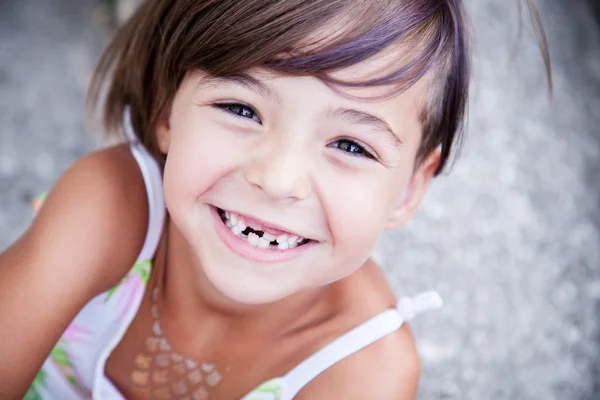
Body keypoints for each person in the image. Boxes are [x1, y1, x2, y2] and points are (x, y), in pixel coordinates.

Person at [0, 0, 549, 399]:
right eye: (242, 109)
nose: (279, 179)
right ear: (168, 112)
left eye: (350, 144)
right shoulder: (110, 207)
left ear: (409, 189)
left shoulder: (364, 371)